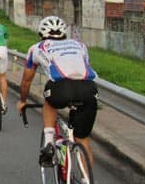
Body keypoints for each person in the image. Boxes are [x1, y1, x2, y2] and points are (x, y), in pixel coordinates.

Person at [17, 15, 98, 166]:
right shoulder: (80, 45)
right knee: (83, 140)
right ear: (64, 32)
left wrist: (22, 101)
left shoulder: (37, 48)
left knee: (49, 102)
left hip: (61, 89)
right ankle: (87, 180)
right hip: (89, 89)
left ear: (41, 34)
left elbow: (26, 81)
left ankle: (49, 143)